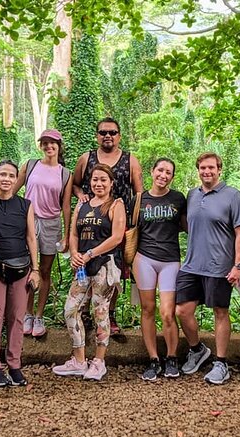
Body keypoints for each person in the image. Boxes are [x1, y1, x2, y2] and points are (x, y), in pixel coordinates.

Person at [175, 152, 240, 385]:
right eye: (202, 168)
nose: (207, 172)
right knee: (182, 311)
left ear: (219, 169)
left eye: (211, 168)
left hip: (219, 267)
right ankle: (197, 349)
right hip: (192, 265)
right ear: (198, 170)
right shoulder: (192, 195)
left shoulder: (233, 195)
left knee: (220, 312)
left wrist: (238, 265)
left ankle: (221, 362)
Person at [53, 163, 126, 380]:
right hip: (83, 266)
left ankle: (99, 361)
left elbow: (117, 236)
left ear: (111, 183)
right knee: (71, 309)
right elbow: (74, 233)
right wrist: (75, 254)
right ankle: (79, 359)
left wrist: (91, 253)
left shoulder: (115, 204)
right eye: (95, 179)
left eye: (103, 179)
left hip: (104, 265)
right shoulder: (82, 205)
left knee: (100, 311)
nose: (99, 183)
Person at [72, 117, 143, 334]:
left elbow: (139, 193)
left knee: (114, 272)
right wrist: (82, 195)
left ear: (119, 135)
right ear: (97, 135)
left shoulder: (130, 160)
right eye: (103, 132)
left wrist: (134, 224)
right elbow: (75, 184)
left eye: (112, 132)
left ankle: (108, 315)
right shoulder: (87, 159)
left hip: (118, 225)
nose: (108, 136)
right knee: (85, 267)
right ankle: (84, 314)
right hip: (90, 223)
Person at [0, 161, 40, 387]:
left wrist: (35, 269)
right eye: (2, 174)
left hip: (21, 268)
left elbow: (31, 238)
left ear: (17, 180)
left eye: (11, 175)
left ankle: (14, 364)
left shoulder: (25, 205)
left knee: (16, 318)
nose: (6, 179)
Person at [14, 129, 72, 338]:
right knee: (28, 268)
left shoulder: (65, 174)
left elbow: (66, 206)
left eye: (53, 143)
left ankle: (39, 316)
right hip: (27, 220)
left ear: (59, 145)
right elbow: (13, 191)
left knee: (45, 270)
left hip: (51, 223)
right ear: (41, 146)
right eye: (45, 143)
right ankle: (26, 314)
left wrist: (66, 235)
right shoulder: (30, 165)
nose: (49, 147)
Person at [133, 158, 187, 381]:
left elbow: (188, 226)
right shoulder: (139, 199)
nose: (163, 175)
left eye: (168, 172)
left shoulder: (178, 198)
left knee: (167, 312)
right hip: (144, 258)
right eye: (160, 170)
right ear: (152, 172)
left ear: (172, 177)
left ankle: (172, 357)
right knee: (147, 309)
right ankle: (153, 359)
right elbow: (128, 228)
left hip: (170, 260)